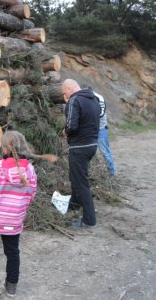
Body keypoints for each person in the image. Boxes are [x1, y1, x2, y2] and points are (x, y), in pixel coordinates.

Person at [0, 131, 38, 298]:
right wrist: (19, 209)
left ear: (4, 149)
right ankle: (11, 285)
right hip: (13, 219)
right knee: (12, 252)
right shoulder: (31, 170)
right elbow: (31, 194)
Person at [61, 79, 100, 228]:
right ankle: (74, 204)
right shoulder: (94, 99)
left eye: (64, 92)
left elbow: (71, 125)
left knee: (81, 182)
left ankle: (89, 220)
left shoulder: (74, 100)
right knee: (76, 177)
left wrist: (65, 131)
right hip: (92, 145)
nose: (65, 96)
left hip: (80, 147)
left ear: (70, 89)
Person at [93, 91, 116, 176]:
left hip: (101, 129)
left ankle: (111, 173)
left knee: (105, 152)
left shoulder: (99, 98)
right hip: (90, 129)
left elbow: (101, 113)